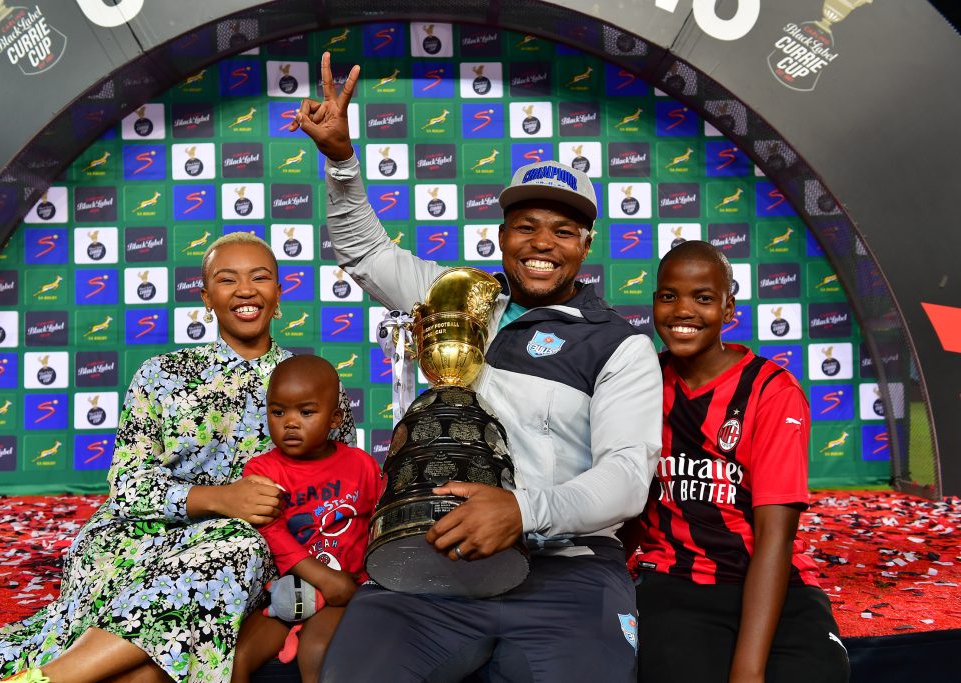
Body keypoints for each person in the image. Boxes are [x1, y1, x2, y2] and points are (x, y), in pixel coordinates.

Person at [289, 52, 663, 682]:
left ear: (586, 244)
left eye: (564, 230)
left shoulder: (618, 346)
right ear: (502, 234)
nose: (543, 243)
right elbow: (364, 252)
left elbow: (627, 479)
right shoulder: (454, 298)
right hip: (432, 559)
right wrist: (340, 162)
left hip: (565, 572)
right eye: (527, 226)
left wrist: (522, 510)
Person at [0, 232, 357, 683]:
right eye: (226, 279)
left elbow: (340, 487)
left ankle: (46, 679)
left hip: (248, 554)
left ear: (278, 292)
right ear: (206, 297)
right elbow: (128, 485)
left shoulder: (313, 383)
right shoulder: (161, 375)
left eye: (260, 277)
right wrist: (220, 498)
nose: (245, 290)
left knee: (237, 550)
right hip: (136, 540)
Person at [630, 240, 850, 683]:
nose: (683, 310)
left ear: (729, 309)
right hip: (679, 580)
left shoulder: (771, 391)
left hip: (777, 584)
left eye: (703, 298)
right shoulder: (640, 383)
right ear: (654, 303)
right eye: (669, 296)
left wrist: (748, 671)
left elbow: (775, 535)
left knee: (821, 674)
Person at [232, 355, 382, 683]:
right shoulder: (261, 471)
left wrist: (361, 585)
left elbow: (379, 524)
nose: (290, 422)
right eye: (278, 411)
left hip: (343, 593)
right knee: (237, 658)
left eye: (306, 412)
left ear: (334, 418)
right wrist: (323, 577)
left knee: (315, 653)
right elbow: (271, 532)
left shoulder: (361, 465)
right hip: (286, 590)